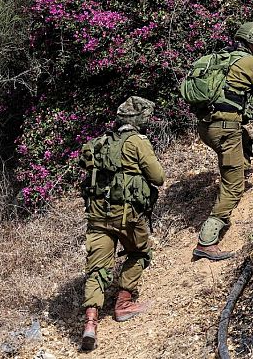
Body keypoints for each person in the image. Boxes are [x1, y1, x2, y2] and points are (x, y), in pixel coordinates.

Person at [77, 96, 165, 351]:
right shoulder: (137, 142)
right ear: (140, 121)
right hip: (126, 215)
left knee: (97, 268)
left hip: (97, 215)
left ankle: (90, 323)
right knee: (139, 252)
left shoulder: (101, 141)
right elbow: (158, 177)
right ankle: (123, 303)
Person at [192, 22, 253, 261]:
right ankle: (207, 240)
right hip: (225, 128)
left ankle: (239, 166)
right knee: (233, 182)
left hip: (205, 127)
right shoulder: (251, 63)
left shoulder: (216, 58)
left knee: (244, 145)